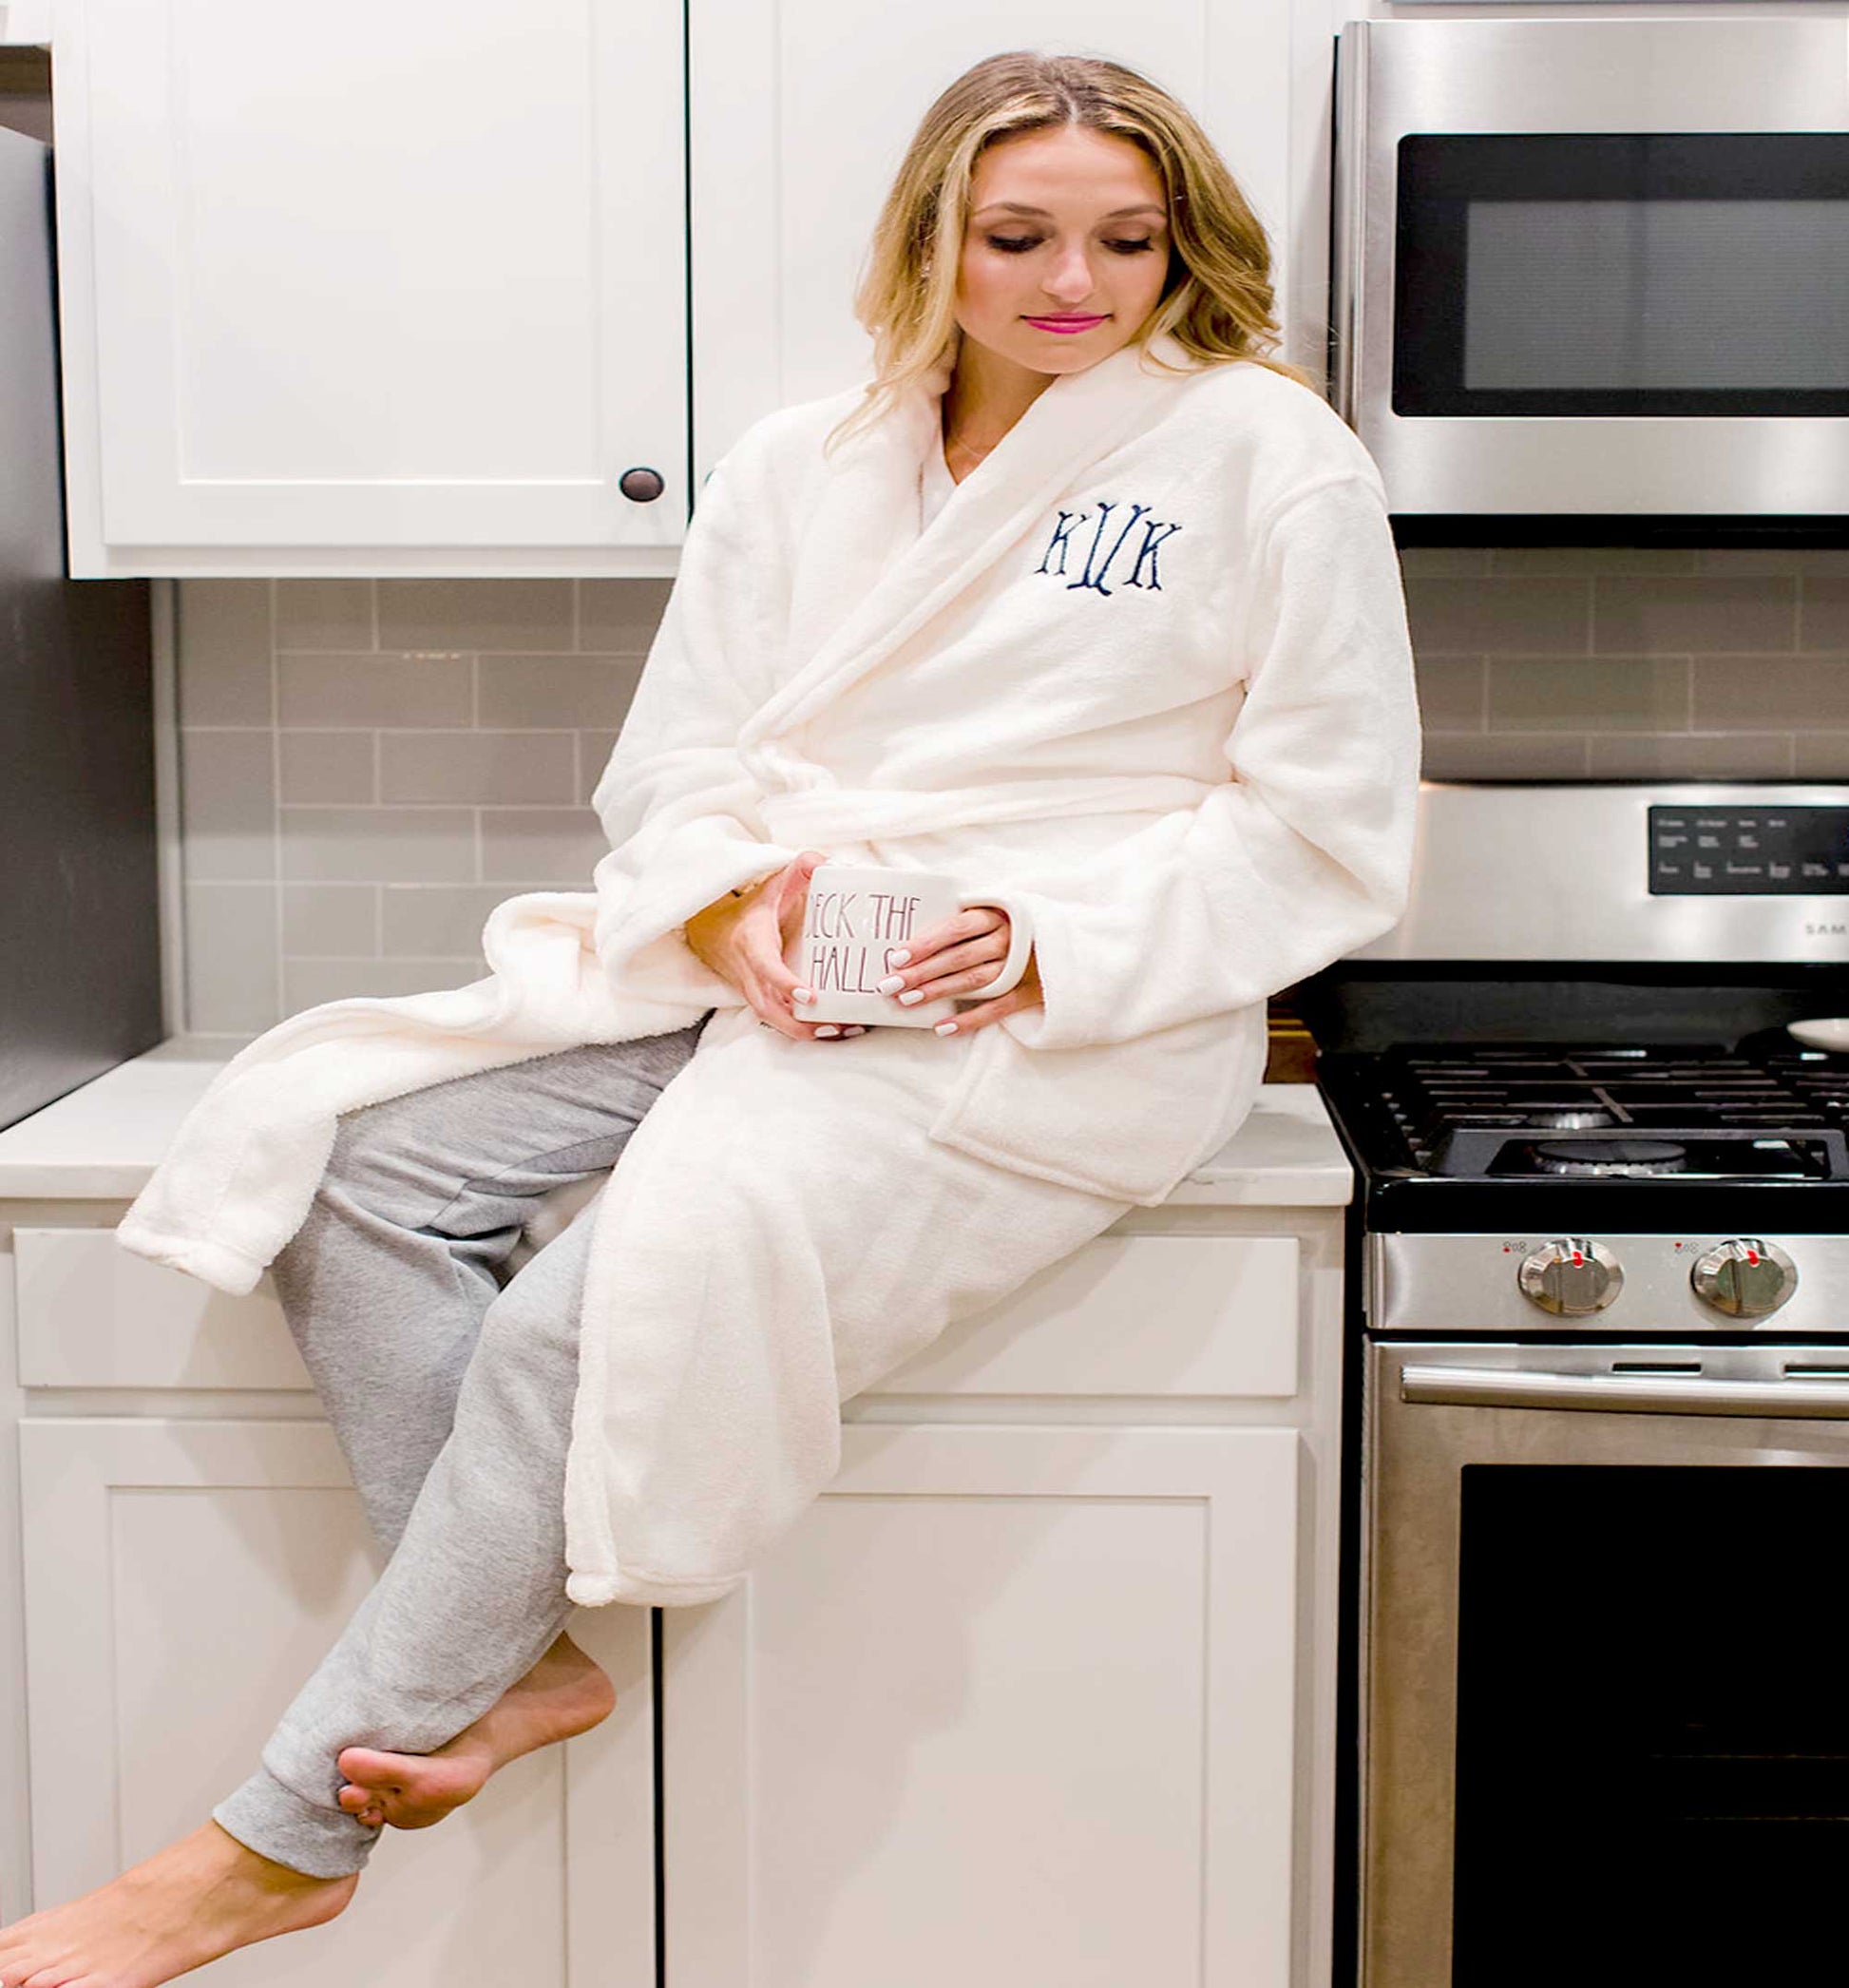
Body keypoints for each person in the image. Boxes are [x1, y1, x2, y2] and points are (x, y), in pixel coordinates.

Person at [0, 48, 1420, 1988]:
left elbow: (1326, 831)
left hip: (1061, 1009)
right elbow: (674, 762)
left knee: (592, 1324)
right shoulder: (801, 463)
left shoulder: (1267, 454)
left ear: (1187, 248)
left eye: (1124, 240)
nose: (1071, 281)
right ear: (934, 232)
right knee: (339, 1154)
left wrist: (1031, 938)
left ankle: (280, 1834)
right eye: (1016, 235)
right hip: (786, 952)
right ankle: (515, 1646)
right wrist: (740, 906)